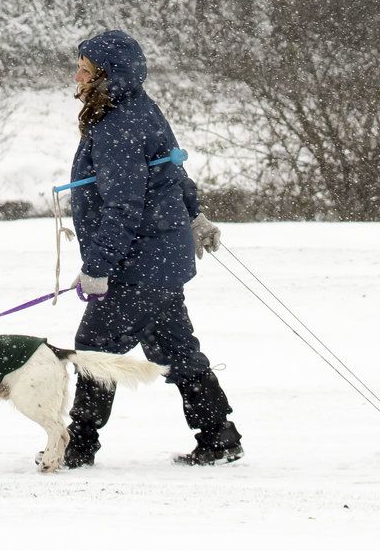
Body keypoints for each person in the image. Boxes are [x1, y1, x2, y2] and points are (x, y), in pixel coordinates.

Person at [62, 28, 240, 467]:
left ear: (106, 77)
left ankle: (78, 445)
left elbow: (123, 207)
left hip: (137, 261)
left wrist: (98, 266)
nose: (77, 76)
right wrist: (192, 214)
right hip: (160, 256)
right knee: (176, 349)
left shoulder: (117, 126)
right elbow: (171, 169)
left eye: (84, 70)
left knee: (95, 349)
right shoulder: (139, 108)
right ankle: (219, 437)